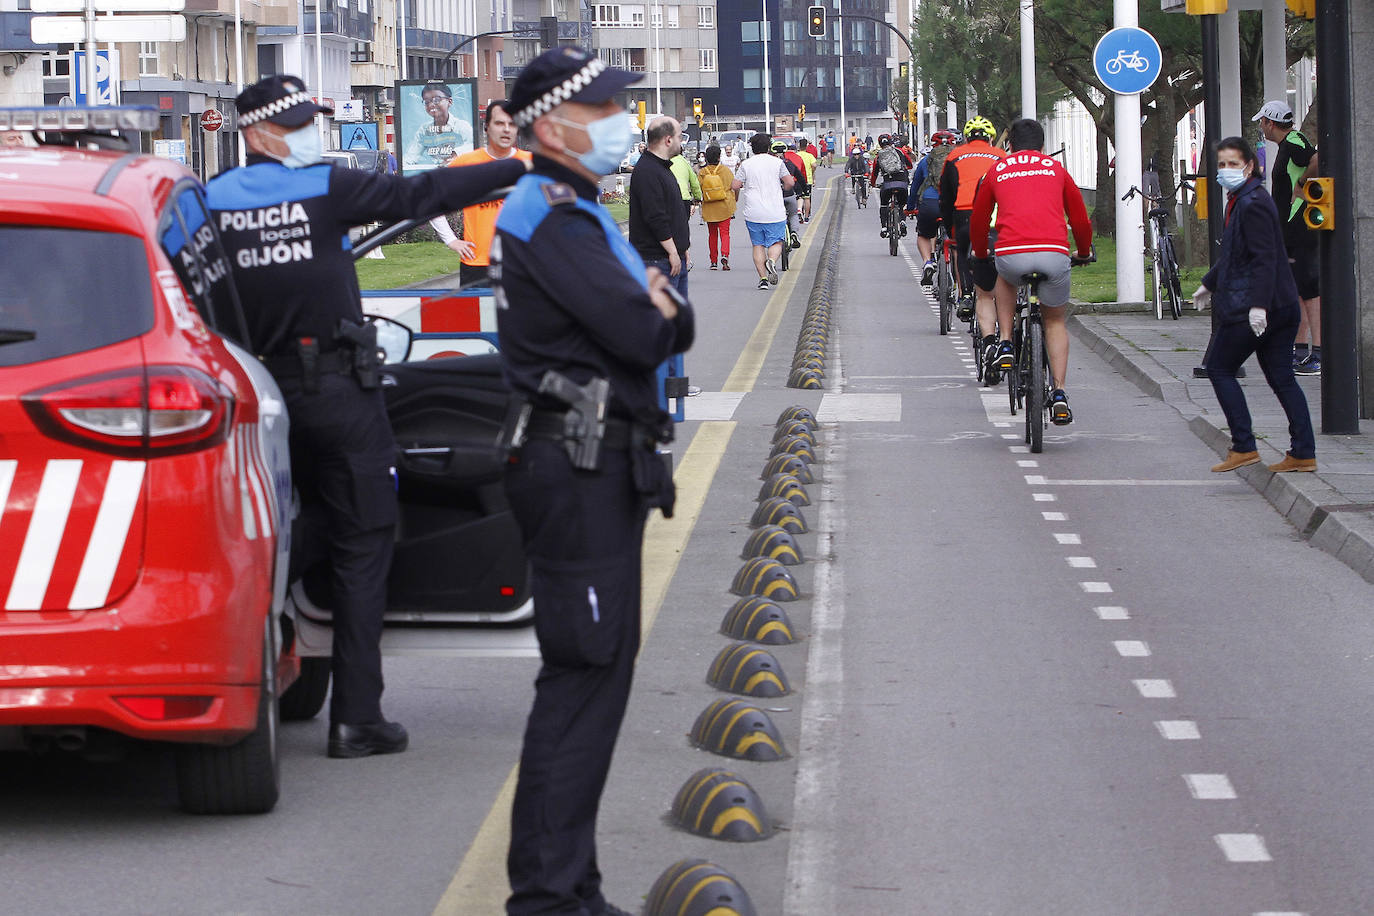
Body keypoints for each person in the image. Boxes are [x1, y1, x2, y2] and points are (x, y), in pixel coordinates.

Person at [206, 75, 526, 758]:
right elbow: (426, 194)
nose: (305, 132)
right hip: (338, 395)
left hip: (253, 397)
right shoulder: (325, 187)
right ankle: (356, 718)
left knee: (273, 521)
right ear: (258, 133)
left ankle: (263, 587)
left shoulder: (209, 204)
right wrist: (521, 165)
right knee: (364, 533)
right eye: (294, 123)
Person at [492, 46, 694, 916]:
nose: (619, 119)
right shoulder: (557, 217)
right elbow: (646, 329)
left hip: (594, 463)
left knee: (595, 674)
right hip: (575, 467)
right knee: (583, 675)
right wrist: (663, 305)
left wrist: (663, 304)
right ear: (552, 125)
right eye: (603, 106)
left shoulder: (568, 207)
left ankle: (572, 883)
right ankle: (546, 894)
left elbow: (659, 311)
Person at [1192, 137, 1316, 474]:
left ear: (1250, 166)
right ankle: (1303, 453)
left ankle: (1244, 447)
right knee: (1282, 377)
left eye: (1233, 164)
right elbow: (1237, 254)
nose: (1226, 170)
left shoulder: (1253, 204)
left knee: (1219, 367)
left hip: (1261, 306)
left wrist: (1258, 307)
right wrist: (1208, 283)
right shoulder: (1243, 199)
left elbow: (1264, 258)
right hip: (1278, 304)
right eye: (1221, 164)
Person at [969, 118, 1094, 421]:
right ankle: (1060, 392)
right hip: (1054, 254)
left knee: (1003, 276)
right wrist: (1084, 251)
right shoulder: (1056, 170)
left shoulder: (997, 170)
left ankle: (1006, 343)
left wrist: (983, 253)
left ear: (1009, 145)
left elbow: (979, 218)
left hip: (1012, 254)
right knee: (1054, 322)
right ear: (1043, 146)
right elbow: (1079, 217)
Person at [428, 100, 533, 286]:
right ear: (487, 128)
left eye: (512, 124)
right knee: (476, 316)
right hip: (477, 264)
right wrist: (451, 240)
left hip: (522, 264)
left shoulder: (532, 164)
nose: (506, 129)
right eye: (500, 123)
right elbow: (430, 198)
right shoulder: (466, 163)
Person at [1253, 100, 1322, 375]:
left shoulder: (1294, 142)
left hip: (1299, 226)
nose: (1261, 127)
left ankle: (1317, 353)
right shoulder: (1287, 145)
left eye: (1262, 122)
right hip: (1288, 228)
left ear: (1271, 123)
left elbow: (1317, 158)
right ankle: (1300, 349)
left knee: (1308, 288)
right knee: (1295, 289)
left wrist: (1302, 184)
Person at [942, 116, 1006, 323]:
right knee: (995, 252)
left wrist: (948, 224)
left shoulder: (954, 156)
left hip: (963, 212)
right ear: (990, 137)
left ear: (967, 137)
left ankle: (967, 295)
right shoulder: (1000, 156)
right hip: (993, 213)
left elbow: (947, 194)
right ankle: (997, 295)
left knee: (962, 250)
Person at [629, 116, 692, 297]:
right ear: (668, 140)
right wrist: (672, 251)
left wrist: (682, 248)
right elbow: (655, 216)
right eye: (680, 137)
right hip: (657, 260)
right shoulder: (648, 171)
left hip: (670, 257)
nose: (681, 142)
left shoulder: (662, 168)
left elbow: (672, 211)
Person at [732, 133, 795, 289]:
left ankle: (763, 280)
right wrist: (784, 190)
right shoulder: (777, 162)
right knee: (776, 242)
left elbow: (735, 185)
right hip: (775, 211)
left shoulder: (746, 164)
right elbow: (789, 182)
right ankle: (772, 261)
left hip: (753, 212)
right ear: (768, 147)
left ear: (752, 148)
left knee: (758, 245)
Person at [907, 129, 959, 283]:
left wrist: (910, 207)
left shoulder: (925, 161)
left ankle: (927, 262)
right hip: (953, 205)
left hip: (929, 203)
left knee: (923, 235)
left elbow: (915, 186)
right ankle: (961, 283)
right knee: (957, 242)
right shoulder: (959, 158)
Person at [406, 81, 473, 168]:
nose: (431, 105)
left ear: (450, 102)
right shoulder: (424, 129)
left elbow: (474, 147)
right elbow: (411, 156)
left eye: (437, 100)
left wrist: (455, 154)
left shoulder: (462, 126)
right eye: (427, 102)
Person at [698, 143, 736, 270]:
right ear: (719, 157)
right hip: (725, 205)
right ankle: (725, 255)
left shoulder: (703, 172)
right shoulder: (725, 170)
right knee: (725, 233)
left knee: (712, 234)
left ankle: (713, 261)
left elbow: (699, 188)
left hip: (709, 206)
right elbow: (733, 186)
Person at [868, 134, 912, 238]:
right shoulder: (900, 151)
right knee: (902, 204)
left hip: (887, 185)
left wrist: (873, 184)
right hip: (902, 183)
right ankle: (902, 221)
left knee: (884, 204)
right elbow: (910, 164)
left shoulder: (879, 156)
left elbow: (874, 173)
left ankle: (884, 228)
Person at [773, 139, 808, 249]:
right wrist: (805, 191)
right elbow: (801, 178)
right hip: (788, 195)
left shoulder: (770, 165)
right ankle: (793, 233)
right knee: (793, 214)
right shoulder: (789, 164)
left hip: (774, 197)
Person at [668, 131, 703, 222]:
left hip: (669, 199)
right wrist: (697, 197)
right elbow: (694, 182)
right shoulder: (684, 162)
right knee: (682, 227)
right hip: (684, 199)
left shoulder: (664, 161)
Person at [796, 141, 818, 222]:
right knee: (807, 198)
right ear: (806, 147)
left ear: (799, 145)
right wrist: (812, 172)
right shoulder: (809, 156)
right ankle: (806, 216)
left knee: (799, 196)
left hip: (797, 180)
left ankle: (799, 211)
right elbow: (814, 165)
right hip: (807, 179)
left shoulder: (796, 155)